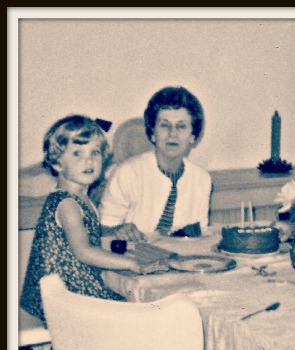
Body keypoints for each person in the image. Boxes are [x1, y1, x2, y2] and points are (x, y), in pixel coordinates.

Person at [20, 115, 167, 324]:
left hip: (73, 286)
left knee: (131, 305)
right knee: (133, 314)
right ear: (57, 163)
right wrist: (133, 264)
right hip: (65, 296)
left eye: (95, 153)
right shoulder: (67, 203)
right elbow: (84, 251)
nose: (88, 161)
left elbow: (88, 240)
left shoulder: (82, 197)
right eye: (77, 153)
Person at [99, 86, 212, 241]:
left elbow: (198, 235)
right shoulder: (127, 172)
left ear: (193, 136)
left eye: (181, 126)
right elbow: (101, 228)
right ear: (152, 133)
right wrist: (120, 230)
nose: (173, 134)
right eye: (165, 125)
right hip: (131, 258)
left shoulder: (201, 179)